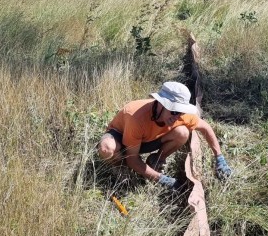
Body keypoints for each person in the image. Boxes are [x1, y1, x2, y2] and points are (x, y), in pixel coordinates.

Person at [98, 81, 233, 190]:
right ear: (160, 104)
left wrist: (219, 158)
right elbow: (132, 159)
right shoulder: (136, 117)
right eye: (174, 111)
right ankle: (121, 167)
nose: (177, 117)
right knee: (106, 148)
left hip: (146, 140)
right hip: (121, 139)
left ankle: (156, 160)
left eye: (180, 112)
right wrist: (161, 179)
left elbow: (206, 128)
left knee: (182, 133)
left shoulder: (180, 115)